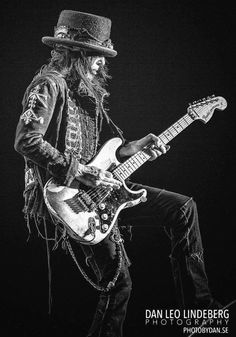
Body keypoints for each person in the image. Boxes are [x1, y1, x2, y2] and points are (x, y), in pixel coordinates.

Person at [14, 10, 221, 337]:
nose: (102, 64)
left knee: (183, 209)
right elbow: (26, 140)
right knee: (118, 284)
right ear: (79, 54)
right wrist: (81, 173)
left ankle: (200, 317)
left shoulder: (86, 95)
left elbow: (107, 150)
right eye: (97, 56)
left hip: (102, 188)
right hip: (69, 198)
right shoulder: (48, 84)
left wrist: (136, 147)